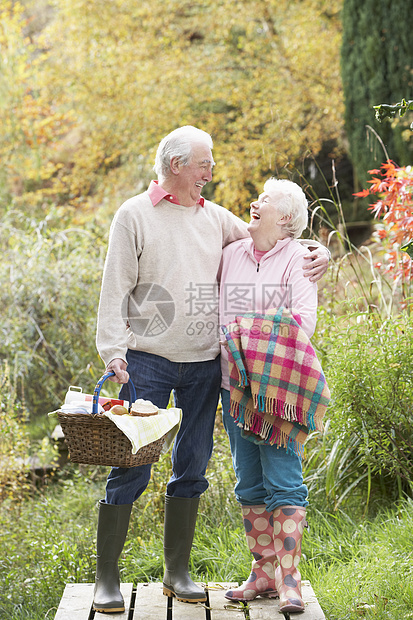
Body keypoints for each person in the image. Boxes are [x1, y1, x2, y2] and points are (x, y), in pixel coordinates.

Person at [94, 126, 330, 613]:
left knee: (193, 466)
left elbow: (273, 237)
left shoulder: (215, 218)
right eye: (205, 164)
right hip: (146, 361)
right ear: (177, 165)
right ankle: (107, 579)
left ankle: (176, 572)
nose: (212, 172)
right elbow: (114, 287)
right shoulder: (134, 215)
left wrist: (317, 251)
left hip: (204, 366)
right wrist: (113, 351)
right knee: (132, 465)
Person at [219, 178, 328, 614]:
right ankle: (263, 571)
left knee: (284, 481)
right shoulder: (230, 255)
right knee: (248, 481)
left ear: (285, 218)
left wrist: (243, 332)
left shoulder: (300, 259)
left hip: (280, 391)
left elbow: (302, 321)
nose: (253, 203)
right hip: (235, 387)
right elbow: (215, 315)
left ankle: (289, 579)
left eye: (263, 201)